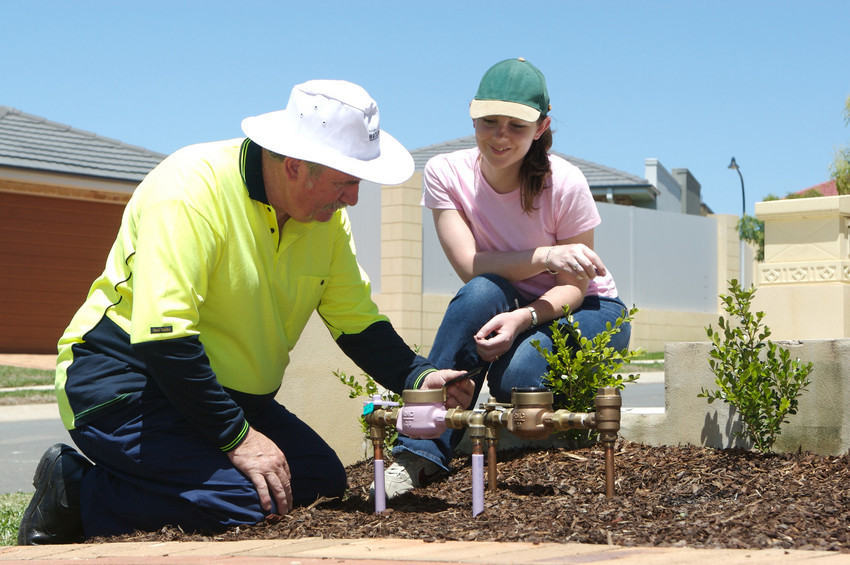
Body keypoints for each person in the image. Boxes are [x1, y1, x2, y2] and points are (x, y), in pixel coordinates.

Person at [17, 79, 475, 545]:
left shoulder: (326, 222)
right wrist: (239, 439)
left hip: (220, 393)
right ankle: (76, 489)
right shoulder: (189, 188)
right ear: (296, 166)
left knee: (318, 481)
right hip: (123, 383)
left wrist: (419, 376)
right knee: (250, 499)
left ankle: (125, 487)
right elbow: (164, 339)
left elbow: (357, 323)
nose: (353, 198)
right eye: (346, 181)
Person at [376, 58, 631, 498]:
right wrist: (546, 254)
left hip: (586, 308)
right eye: (489, 121)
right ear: (472, 116)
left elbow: (574, 285)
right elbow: (470, 266)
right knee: (480, 291)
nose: (500, 136)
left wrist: (521, 320)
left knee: (519, 379)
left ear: (541, 126)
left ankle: (481, 380)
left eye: (516, 125)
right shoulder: (445, 173)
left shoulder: (564, 183)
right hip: (501, 298)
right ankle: (417, 451)